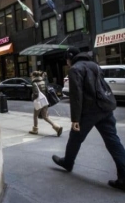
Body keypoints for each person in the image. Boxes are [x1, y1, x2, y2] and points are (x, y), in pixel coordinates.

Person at [52, 47, 125, 192]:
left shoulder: (75, 69)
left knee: (75, 137)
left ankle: (68, 162)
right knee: (113, 142)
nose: (67, 62)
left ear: (70, 58)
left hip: (90, 111)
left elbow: (76, 96)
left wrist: (75, 120)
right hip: (105, 108)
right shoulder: (94, 65)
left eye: (67, 59)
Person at [29, 70, 63, 136]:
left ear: (34, 76)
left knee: (35, 116)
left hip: (39, 102)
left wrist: (32, 97)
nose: (31, 77)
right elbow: (47, 91)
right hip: (45, 101)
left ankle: (35, 130)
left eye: (31, 76)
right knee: (45, 117)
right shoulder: (43, 82)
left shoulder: (34, 83)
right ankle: (57, 127)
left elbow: (36, 93)